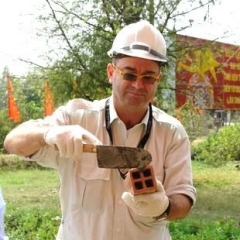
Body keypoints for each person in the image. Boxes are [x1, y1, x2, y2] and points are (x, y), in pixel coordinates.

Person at [4, 20, 196, 240]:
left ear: (157, 80)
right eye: (129, 74)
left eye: (148, 77)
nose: (138, 85)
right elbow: (12, 142)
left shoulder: (172, 132)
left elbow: (184, 198)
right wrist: (48, 134)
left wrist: (163, 206)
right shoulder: (76, 117)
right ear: (111, 73)